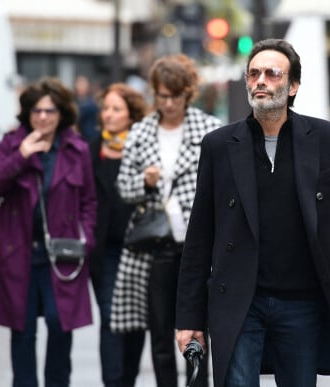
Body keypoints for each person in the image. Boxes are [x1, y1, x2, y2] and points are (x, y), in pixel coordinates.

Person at [175, 38, 330, 387]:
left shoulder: (327, 140)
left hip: (303, 303)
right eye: (253, 74)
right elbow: (199, 239)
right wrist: (188, 318)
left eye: (272, 73)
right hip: (239, 303)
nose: (260, 80)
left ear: (293, 85)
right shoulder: (219, 145)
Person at [111, 54, 222, 387]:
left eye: (175, 95)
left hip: (197, 246)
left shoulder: (208, 129)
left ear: (188, 93)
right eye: (162, 95)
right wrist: (145, 182)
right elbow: (123, 188)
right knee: (160, 334)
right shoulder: (141, 132)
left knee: (197, 332)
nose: (169, 103)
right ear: (154, 94)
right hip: (156, 247)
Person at [0, 77, 97, 387]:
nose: (43, 117)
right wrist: (20, 155)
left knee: (61, 326)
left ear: (62, 114)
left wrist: (86, 236)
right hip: (17, 253)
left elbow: (89, 200)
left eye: (50, 111)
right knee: (23, 330)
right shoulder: (11, 143)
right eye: (36, 111)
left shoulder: (76, 148)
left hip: (62, 254)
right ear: (27, 113)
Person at [88, 83, 148, 387]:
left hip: (139, 248)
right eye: (106, 108)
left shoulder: (142, 148)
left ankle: (127, 380)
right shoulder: (92, 147)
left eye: (117, 109)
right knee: (111, 319)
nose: (109, 115)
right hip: (104, 251)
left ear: (131, 115)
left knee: (135, 322)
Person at [74, 75, 100, 141]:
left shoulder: (91, 102)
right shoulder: (75, 101)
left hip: (90, 136)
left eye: (83, 85)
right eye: (79, 84)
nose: (81, 87)